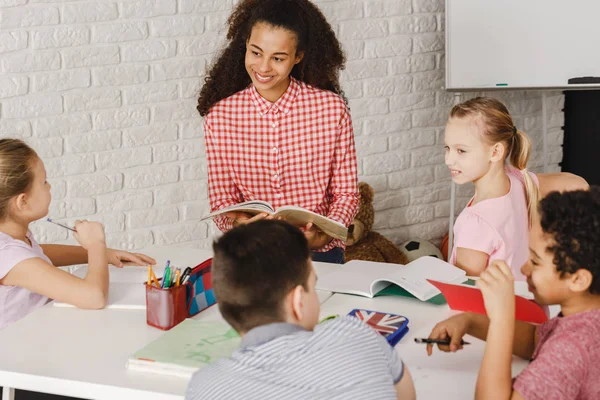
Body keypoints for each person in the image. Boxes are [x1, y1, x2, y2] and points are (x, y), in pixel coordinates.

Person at [196, 0, 359, 263]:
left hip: (319, 254)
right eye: (256, 52)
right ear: (245, 45)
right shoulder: (219, 117)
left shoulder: (331, 109)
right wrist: (239, 226)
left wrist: (323, 236)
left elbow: (346, 194)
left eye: (278, 58)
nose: (263, 67)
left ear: (298, 56)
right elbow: (223, 200)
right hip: (252, 254)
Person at [185, 220, 416, 399]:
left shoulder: (204, 387)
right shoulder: (357, 336)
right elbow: (406, 395)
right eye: (312, 286)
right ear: (297, 301)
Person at [426, 188, 600, 399]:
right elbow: (537, 340)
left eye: (535, 262)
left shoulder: (569, 348)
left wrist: (502, 319)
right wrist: (470, 321)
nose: (525, 269)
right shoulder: (587, 318)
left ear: (578, 280)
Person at [0, 139, 156, 330]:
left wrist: (104, 254)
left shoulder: (12, 238)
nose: (49, 187)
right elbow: (94, 297)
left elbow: (37, 254)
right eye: (44, 182)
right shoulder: (9, 255)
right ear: (22, 202)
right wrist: (96, 245)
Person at [445, 96, 587, 279]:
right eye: (447, 148)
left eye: (461, 151)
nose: (448, 160)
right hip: (524, 301)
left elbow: (463, 294)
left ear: (495, 152)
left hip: (494, 308)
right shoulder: (519, 180)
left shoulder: (475, 222)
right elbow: (578, 184)